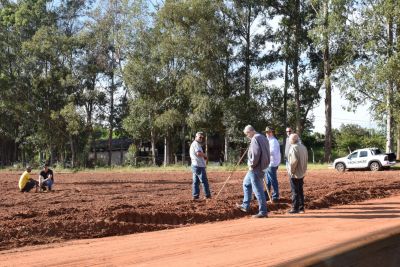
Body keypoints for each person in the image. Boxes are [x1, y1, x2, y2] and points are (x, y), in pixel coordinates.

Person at [236, 125, 270, 218]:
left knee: (258, 190)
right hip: (262, 167)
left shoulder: (255, 138)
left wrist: (251, 165)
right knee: (246, 184)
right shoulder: (263, 137)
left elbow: (255, 155)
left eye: (247, 133)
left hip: (255, 168)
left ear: (251, 131)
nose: (247, 136)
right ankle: (245, 205)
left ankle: (263, 212)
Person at [287, 133, 308, 214]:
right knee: (300, 190)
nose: (288, 140)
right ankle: (301, 208)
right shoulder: (303, 147)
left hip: (295, 173)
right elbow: (306, 159)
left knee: (295, 191)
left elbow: (293, 162)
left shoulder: (293, 148)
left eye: (289, 139)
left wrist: (291, 172)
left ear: (292, 140)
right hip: (302, 172)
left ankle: (295, 208)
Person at [189, 132, 211, 200]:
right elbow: (198, 153)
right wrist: (205, 156)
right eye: (199, 137)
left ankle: (195, 196)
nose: (201, 138)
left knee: (196, 182)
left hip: (195, 165)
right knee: (204, 181)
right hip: (199, 166)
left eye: (202, 137)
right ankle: (208, 196)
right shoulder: (196, 144)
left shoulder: (196, 144)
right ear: (196, 137)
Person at [265, 127, 281, 202]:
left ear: (272, 132)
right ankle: (267, 195)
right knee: (268, 180)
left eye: (269, 132)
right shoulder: (269, 140)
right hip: (268, 163)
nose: (267, 133)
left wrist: (264, 152)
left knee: (273, 179)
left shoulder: (273, 141)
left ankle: (275, 196)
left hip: (272, 163)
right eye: (266, 132)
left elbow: (273, 152)